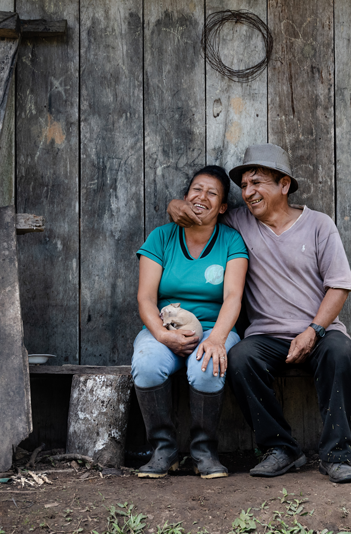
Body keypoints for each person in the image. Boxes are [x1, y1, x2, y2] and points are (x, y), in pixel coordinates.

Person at [168, 144, 351, 484]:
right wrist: (175, 205)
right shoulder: (238, 223)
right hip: (267, 335)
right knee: (240, 357)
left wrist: (314, 331)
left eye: (257, 183)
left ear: (284, 185)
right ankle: (281, 448)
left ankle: (337, 456)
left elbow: (339, 287)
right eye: (244, 186)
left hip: (318, 332)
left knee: (342, 353)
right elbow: (203, 211)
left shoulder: (319, 225)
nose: (248, 192)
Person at [133, 165, 249, 479]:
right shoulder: (161, 237)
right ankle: (163, 451)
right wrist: (160, 334)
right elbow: (145, 298)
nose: (202, 197)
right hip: (164, 327)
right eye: (197, 189)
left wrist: (216, 339)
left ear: (223, 207)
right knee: (146, 364)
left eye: (212, 193)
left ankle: (203, 452)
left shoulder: (231, 241)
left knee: (208, 366)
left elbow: (233, 298)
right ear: (185, 197)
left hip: (214, 327)